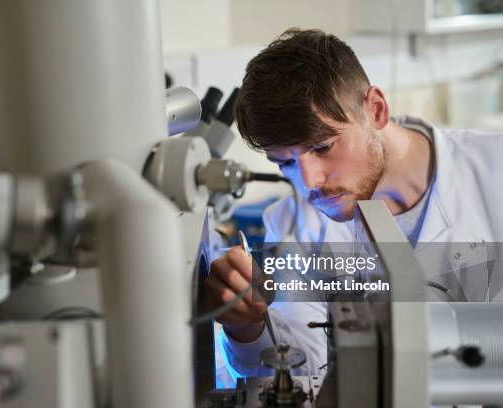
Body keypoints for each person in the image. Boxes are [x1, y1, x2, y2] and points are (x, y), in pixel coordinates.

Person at [206, 28, 503, 377]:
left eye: (322, 147)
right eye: (284, 162)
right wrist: (246, 328)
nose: (309, 182)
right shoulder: (295, 225)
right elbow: (302, 374)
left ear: (375, 110)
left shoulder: (493, 169)